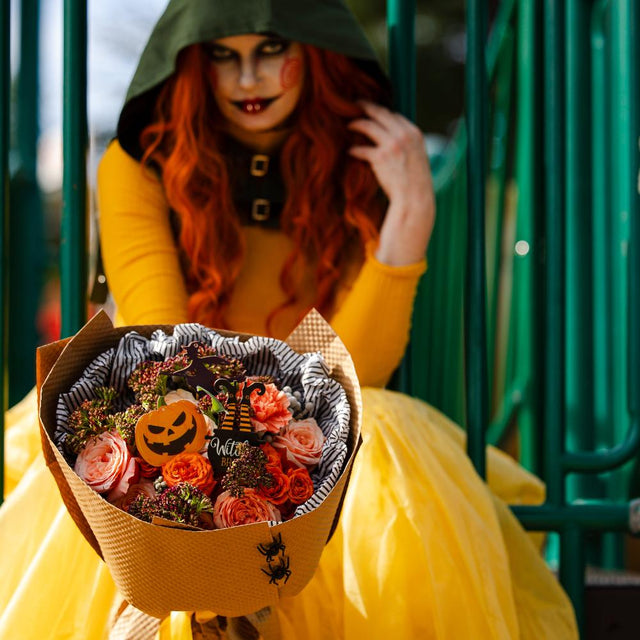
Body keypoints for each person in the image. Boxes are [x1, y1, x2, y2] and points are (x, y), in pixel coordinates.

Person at [0, 1, 578, 638]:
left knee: (381, 429)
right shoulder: (141, 165)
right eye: (223, 55)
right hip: (174, 409)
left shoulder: (364, 170)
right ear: (194, 63)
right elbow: (163, 359)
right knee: (113, 476)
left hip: (318, 430)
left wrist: (408, 215)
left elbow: (353, 376)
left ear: (316, 54)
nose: (246, 79)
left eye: (271, 50)